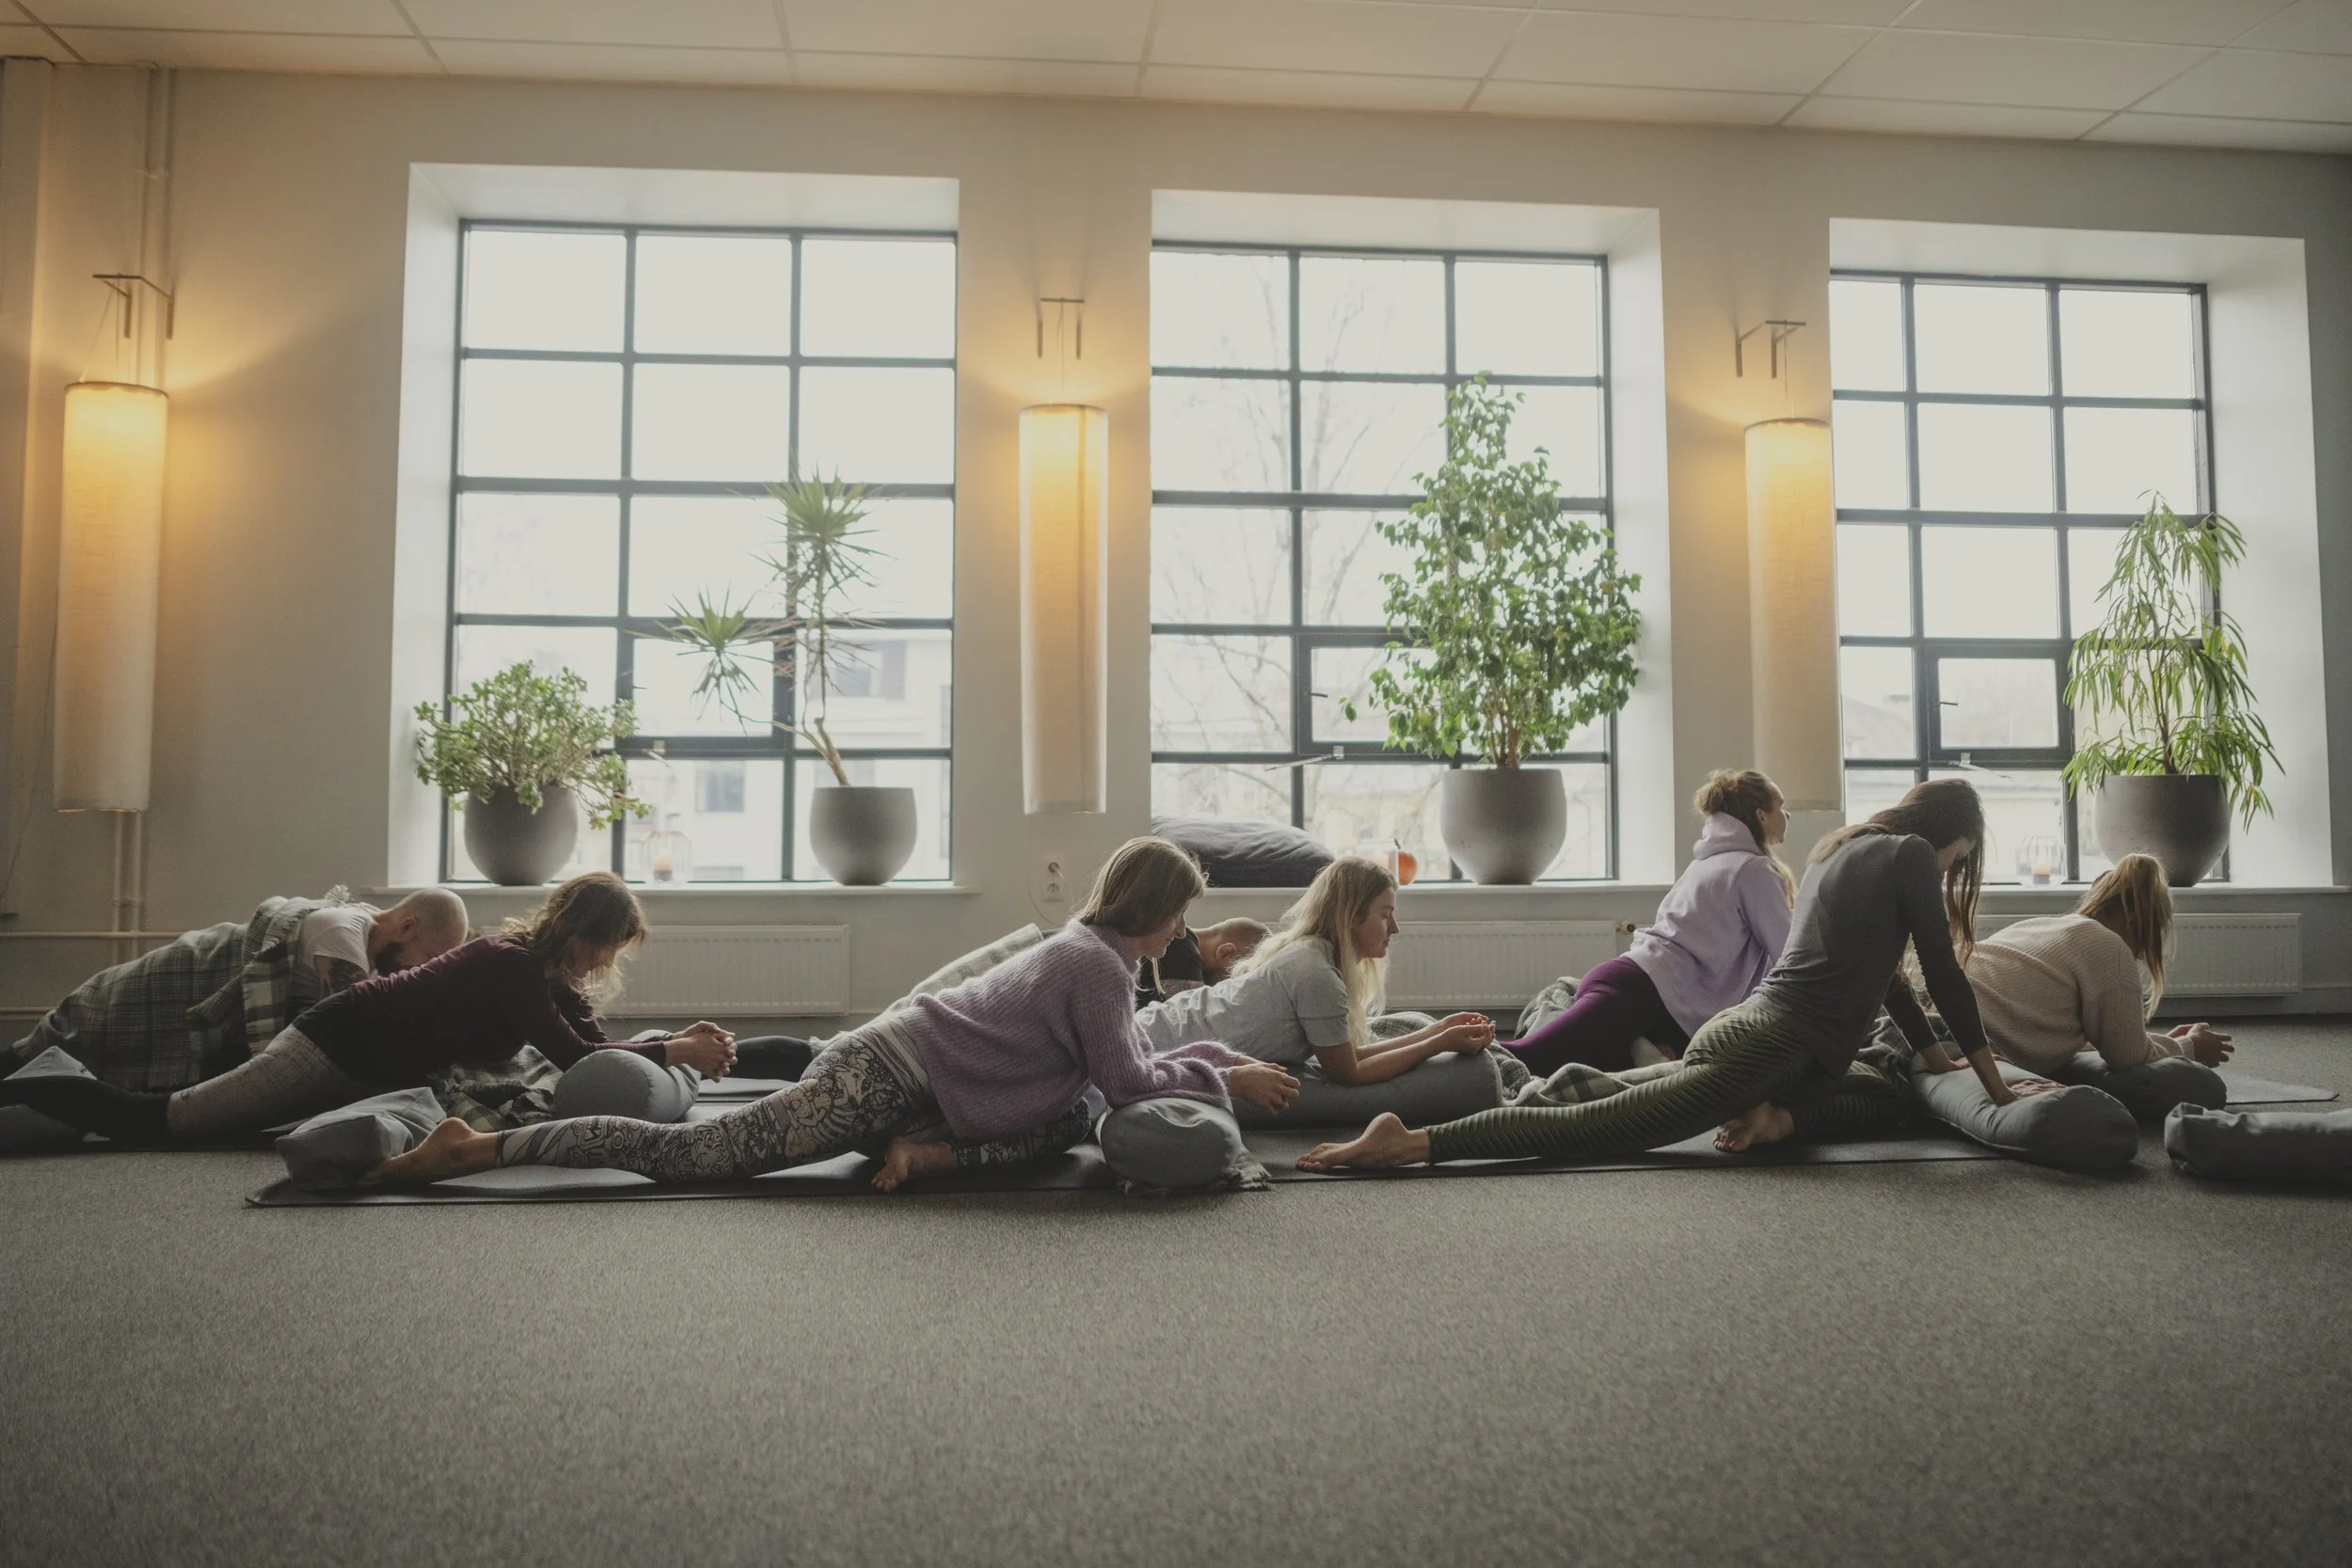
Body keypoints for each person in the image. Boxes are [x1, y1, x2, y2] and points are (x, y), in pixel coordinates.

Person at [365, 838, 1302, 1193]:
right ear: (1152, 906)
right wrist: (1225, 1072)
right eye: (1182, 909)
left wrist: (1217, 1050)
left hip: (920, 1084)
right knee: (690, 1158)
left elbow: (1126, 1058)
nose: (1188, 927)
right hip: (877, 1074)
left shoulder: (1094, 955)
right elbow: (1133, 1079)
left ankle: (928, 1154)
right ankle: (476, 1148)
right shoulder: (1096, 966)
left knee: (1061, 1112)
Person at [1300, 778, 2037, 1172]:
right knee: (1608, 1126)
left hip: (1756, 1036)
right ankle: (1414, 1141)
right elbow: (1942, 976)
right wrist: (1997, 1089)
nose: (1951, 872)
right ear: (1954, 836)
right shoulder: (1909, 856)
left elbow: (1890, 980)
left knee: (1623, 1090)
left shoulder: (1840, 850)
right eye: (1959, 857)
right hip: (1767, 1047)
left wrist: (1939, 1059)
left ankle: (1759, 1112)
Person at [0, 873, 733, 1144]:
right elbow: (576, 1059)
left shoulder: (547, 980)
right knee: (170, 1123)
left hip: (359, 1061)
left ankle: (48, 1080)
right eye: (604, 949)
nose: (605, 966)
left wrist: (672, 1043)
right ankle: (41, 1077)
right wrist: (675, 1052)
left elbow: (593, 1045)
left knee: (182, 1120)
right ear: (578, 934)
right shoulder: (510, 964)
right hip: (334, 1041)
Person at [5, 887, 470, 1093]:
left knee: (76, 1060)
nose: (417, 974)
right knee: (83, 1028)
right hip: (189, 973)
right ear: (406, 925)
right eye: (425, 960)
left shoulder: (369, 935)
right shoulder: (346, 936)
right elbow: (352, 1026)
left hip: (200, 974)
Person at [1511, 769, 1794, 1077]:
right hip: (1638, 996)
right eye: (1780, 806)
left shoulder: (1706, 863)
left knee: (1586, 1071)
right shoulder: (1754, 870)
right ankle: (1455, 1060)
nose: (1787, 814)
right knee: (1522, 1060)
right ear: (1761, 816)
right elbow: (1791, 957)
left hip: (1636, 990)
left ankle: (1642, 1048)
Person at [1136, 856, 1494, 1086]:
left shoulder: (1313, 956)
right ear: (1352, 916)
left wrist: (1440, 1029)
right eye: (1385, 915)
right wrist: (1437, 1043)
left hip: (1155, 1029)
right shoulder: (1315, 972)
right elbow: (1347, 1071)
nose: (1395, 928)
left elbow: (1347, 1052)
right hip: (1153, 1042)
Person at [1964, 853, 2231, 1118]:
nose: (2138, 956)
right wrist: (2191, 1046)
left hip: (1936, 1023)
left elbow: (2100, 1040)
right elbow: (2128, 1059)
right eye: (2144, 944)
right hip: (1965, 1047)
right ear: (2134, 921)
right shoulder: (2109, 946)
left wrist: (2160, 1042)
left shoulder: (2043, 926)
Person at [1136, 917, 1270, 1007]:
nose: (1238, 985)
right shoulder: (1183, 951)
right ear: (1226, 952)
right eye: (1242, 972)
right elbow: (1190, 1024)